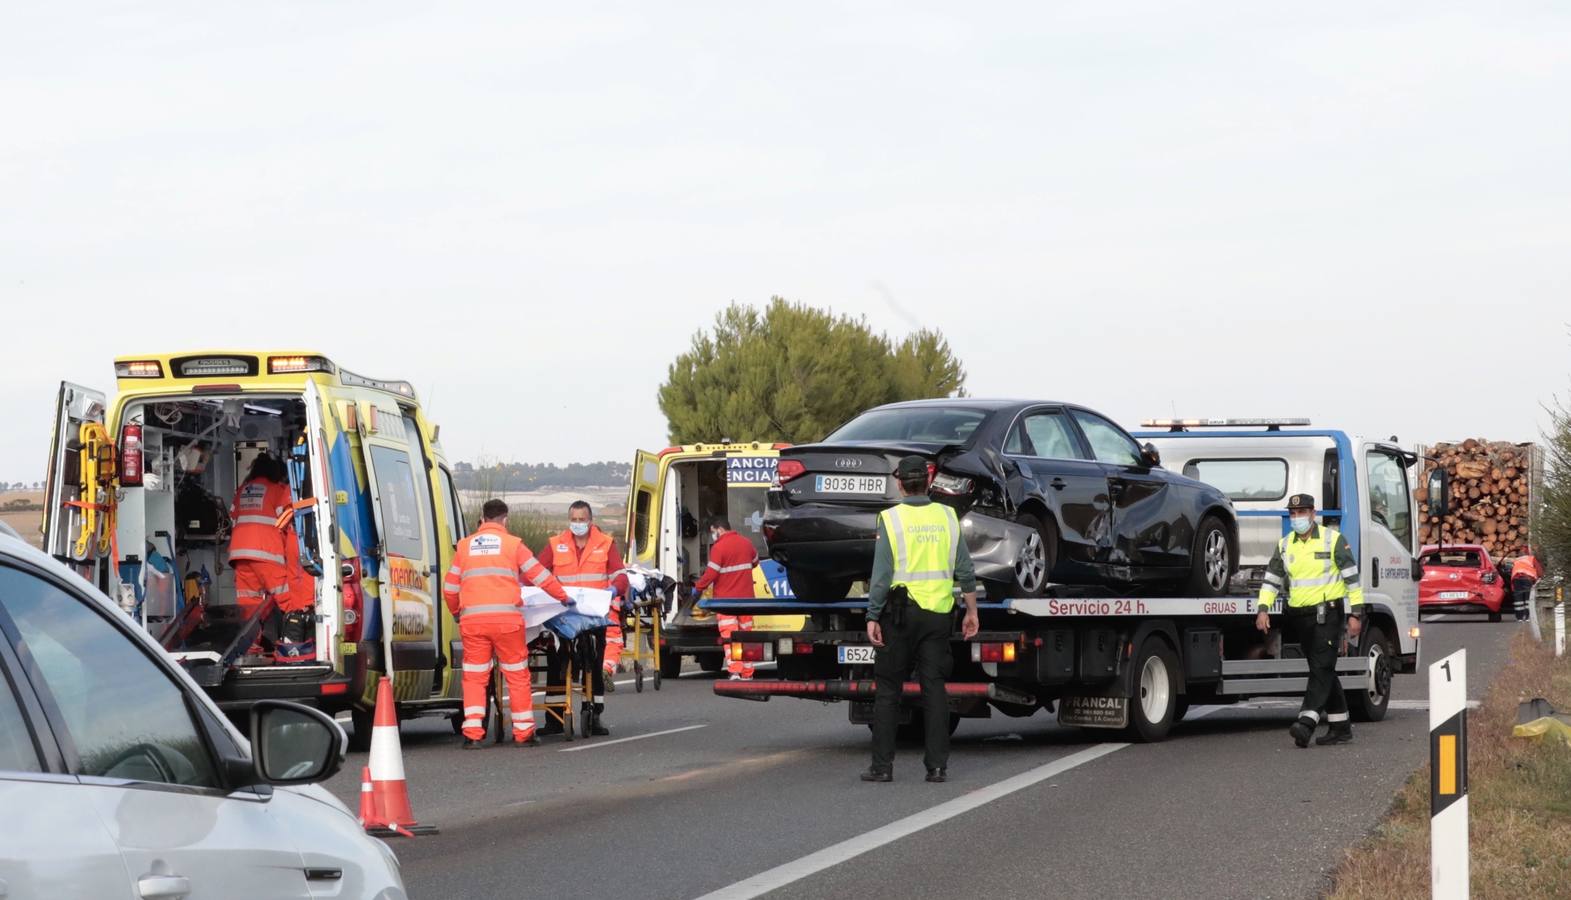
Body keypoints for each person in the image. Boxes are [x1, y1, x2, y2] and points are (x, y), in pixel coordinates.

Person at [862, 456, 979, 784]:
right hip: (939, 615)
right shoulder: (948, 516)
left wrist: (873, 615)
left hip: (899, 616)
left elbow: (882, 575)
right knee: (934, 690)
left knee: (888, 690)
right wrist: (971, 611)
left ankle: (882, 767)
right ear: (928, 482)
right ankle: (937, 767)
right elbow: (966, 570)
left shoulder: (890, 518)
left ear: (900, 483)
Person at [442, 499, 569, 748]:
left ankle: (473, 734)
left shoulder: (465, 547)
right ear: (505, 519)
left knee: (475, 677)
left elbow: (449, 588)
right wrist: (564, 597)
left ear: (483, 518)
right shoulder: (513, 544)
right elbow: (540, 576)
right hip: (507, 624)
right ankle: (523, 733)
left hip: (473, 623)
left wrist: (457, 611)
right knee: (517, 675)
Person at [1256, 493, 1365, 748]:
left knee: (1321, 667)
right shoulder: (1285, 545)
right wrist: (1263, 609)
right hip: (1300, 617)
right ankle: (1341, 727)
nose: (1297, 518)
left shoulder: (1333, 539)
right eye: (1292, 514)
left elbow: (1352, 579)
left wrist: (1355, 613)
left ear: (1313, 514)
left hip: (1328, 614)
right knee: (1322, 669)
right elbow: (1271, 579)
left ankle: (1306, 722)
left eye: (1301, 513)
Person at [535, 501, 630, 736]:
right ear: (569, 520)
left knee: (594, 665)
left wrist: (615, 590)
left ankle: (594, 714)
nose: (578, 524)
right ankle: (554, 718)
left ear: (590, 520)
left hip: (593, 616)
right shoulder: (556, 544)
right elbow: (536, 572)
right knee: (557, 664)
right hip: (561, 616)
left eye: (582, 519)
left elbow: (620, 576)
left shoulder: (605, 544)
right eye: (574, 519)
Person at [228, 454, 296, 656]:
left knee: (249, 603)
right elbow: (287, 519)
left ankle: (250, 646)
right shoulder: (278, 490)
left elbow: (233, 515)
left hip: (240, 554)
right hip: (266, 553)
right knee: (287, 600)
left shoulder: (243, 490)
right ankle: (292, 642)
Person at [692, 516, 760, 680]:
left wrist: (697, 589)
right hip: (747, 601)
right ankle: (747, 673)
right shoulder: (746, 542)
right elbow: (755, 562)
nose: (713, 535)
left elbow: (711, 574)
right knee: (746, 637)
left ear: (720, 529)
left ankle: (735, 671)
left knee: (731, 637)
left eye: (713, 532)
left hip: (726, 601)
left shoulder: (718, 547)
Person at [1510, 546, 1540, 623]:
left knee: (1518, 599)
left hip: (1516, 579)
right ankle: (1527, 617)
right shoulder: (1531, 558)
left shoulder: (1517, 560)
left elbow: (1513, 570)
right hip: (1527, 579)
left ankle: (1519, 617)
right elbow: (1539, 569)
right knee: (1528, 598)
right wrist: (1540, 578)